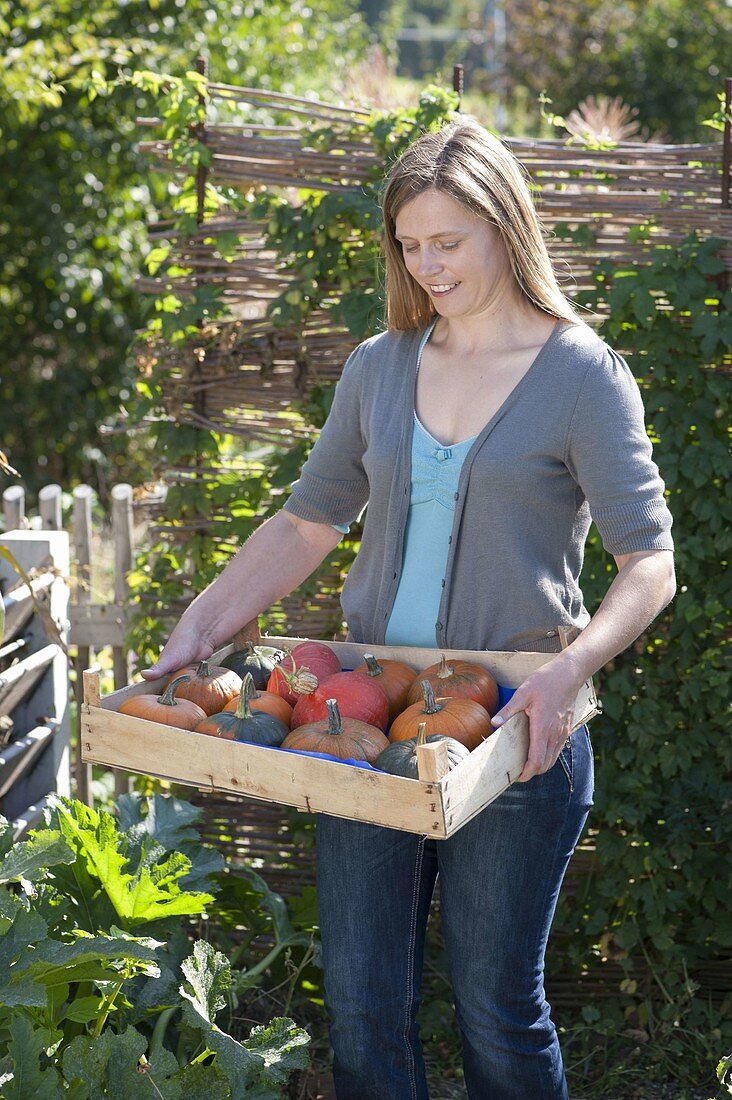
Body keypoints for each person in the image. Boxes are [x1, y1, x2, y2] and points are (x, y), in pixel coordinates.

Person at [142, 117, 676, 1099]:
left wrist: (569, 670)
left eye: (449, 242)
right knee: (361, 1001)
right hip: (360, 717)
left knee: (496, 1007)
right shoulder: (378, 367)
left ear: (505, 228)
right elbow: (307, 521)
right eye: (409, 243)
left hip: (516, 732)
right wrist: (206, 617)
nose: (426, 265)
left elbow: (650, 562)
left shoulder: (580, 375)